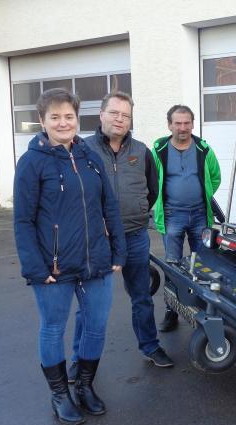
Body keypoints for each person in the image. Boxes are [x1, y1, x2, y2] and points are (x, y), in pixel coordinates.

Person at [13, 88, 126, 425]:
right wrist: (35, 267)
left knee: (95, 326)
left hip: (96, 262)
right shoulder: (32, 162)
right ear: (42, 121)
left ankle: (85, 386)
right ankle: (60, 394)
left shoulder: (90, 156)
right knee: (52, 329)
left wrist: (117, 251)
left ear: (78, 119)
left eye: (69, 116)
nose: (63, 123)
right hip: (53, 267)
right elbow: (23, 219)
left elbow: (109, 206)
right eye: (55, 117)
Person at [68, 92, 173, 377]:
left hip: (135, 235)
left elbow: (152, 191)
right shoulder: (82, 150)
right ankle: (80, 358)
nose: (120, 119)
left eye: (125, 115)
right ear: (101, 115)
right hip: (96, 240)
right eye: (114, 113)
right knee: (89, 303)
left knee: (141, 296)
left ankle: (150, 346)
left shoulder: (141, 151)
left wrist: (137, 211)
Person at [151, 105, 221, 331]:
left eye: (186, 123)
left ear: (192, 123)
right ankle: (171, 311)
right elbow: (152, 180)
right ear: (169, 125)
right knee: (173, 267)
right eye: (177, 123)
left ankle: (203, 312)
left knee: (203, 266)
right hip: (172, 216)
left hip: (200, 215)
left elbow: (215, 177)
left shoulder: (203, 149)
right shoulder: (159, 149)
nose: (182, 128)